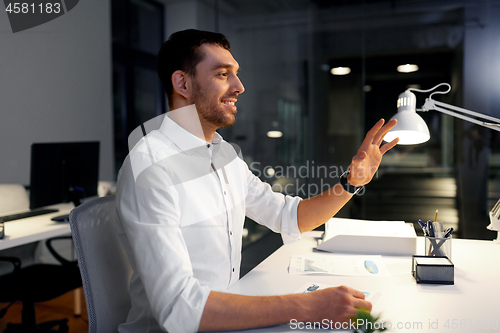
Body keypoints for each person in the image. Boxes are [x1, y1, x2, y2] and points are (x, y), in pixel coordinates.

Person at [115, 29, 399, 333]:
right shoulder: (150, 166)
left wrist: (351, 183)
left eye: (236, 74)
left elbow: (289, 216)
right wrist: (308, 306)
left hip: (225, 320)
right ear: (182, 83)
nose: (240, 87)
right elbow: (180, 308)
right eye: (223, 74)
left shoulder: (223, 155)